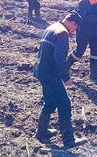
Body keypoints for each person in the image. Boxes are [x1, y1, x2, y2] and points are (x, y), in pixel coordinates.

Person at [33, 11, 88, 150]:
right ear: (72, 23)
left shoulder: (51, 27)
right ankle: (69, 140)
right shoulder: (62, 33)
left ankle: (41, 132)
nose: (75, 30)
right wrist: (66, 78)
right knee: (64, 103)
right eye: (75, 27)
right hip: (51, 74)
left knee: (50, 101)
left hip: (41, 72)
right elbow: (59, 59)